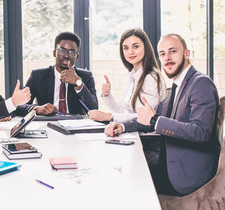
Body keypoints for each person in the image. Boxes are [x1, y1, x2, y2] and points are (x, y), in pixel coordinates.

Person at [105, 33, 221, 196]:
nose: (167, 58)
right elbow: (151, 117)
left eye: (173, 51)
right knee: (120, 171)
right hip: (171, 163)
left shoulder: (201, 83)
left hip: (188, 174)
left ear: (186, 54)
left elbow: (200, 132)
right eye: (162, 54)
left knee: (125, 179)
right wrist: (122, 126)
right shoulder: (175, 87)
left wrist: (154, 120)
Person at [88, 28, 166, 123]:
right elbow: (120, 111)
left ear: (146, 47)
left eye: (135, 47)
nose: (130, 52)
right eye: (126, 48)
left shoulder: (152, 78)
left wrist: (107, 116)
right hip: (131, 131)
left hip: (147, 135)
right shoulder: (132, 76)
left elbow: (145, 118)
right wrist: (107, 95)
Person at [16, 32, 98, 116]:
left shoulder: (86, 76)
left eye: (72, 52)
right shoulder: (38, 76)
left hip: (75, 125)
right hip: (46, 125)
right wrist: (37, 109)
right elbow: (19, 106)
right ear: (54, 52)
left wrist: (78, 83)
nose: (66, 56)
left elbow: (94, 109)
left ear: (77, 57)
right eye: (62, 51)